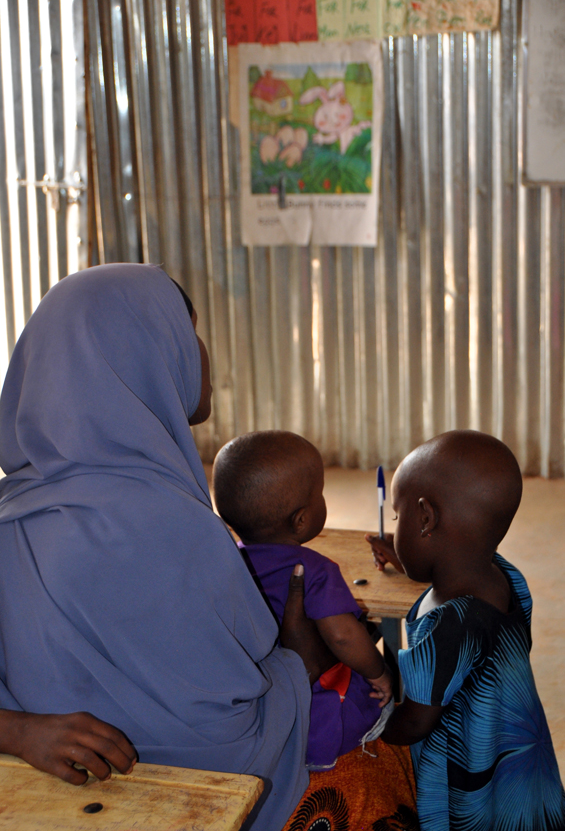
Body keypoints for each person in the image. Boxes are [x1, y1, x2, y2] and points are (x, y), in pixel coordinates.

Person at [0, 263, 417, 831]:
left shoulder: (12, 511)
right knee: (379, 759)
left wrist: (18, 731)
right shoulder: (170, 525)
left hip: (47, 787)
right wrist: (300, 658)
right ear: (146, 353)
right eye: (187, 331)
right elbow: (229, 725)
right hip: (180, 792)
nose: (200, 352)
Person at [367, 430, 565, 831]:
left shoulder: (450, 625)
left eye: (398, 516)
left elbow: (415, 723)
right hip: (516, 762)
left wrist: (367, 725)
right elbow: (459, 563)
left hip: (471, 774)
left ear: (425, 518)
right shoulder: (504, 576)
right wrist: (407, 561)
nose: (396, 525)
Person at [213, 430, 393, 771]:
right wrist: (380, 672)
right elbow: (342, 636)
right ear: (301, 520)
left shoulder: (225, 564)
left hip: (260, 715)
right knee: (383, 702)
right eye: (320, 493)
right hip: (320, 719)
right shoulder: (314, 569)